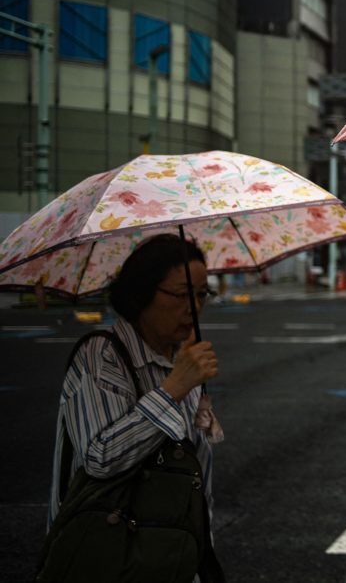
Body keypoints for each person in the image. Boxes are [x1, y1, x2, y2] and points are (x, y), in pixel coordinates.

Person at [47, 234, 222, 580]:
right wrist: (172, 389)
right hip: (104, 555)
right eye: (181, 294)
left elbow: (197, 480)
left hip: (171, 559)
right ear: (141, 293)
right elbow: (101, 457)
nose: (195, 307)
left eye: (202, 294)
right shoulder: (101, 355)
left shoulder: (183, 360)